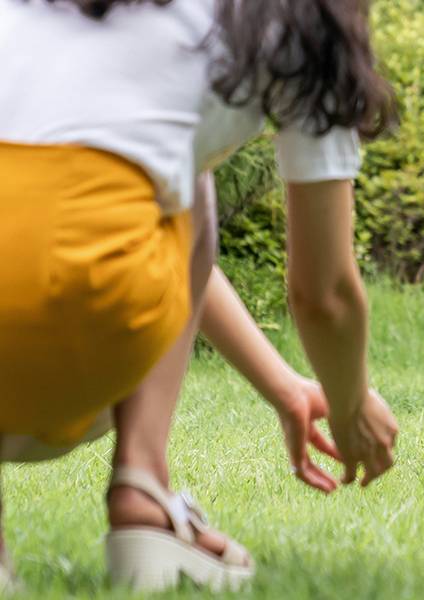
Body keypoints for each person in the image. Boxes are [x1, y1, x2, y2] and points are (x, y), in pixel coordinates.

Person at [0, 0, 398, 591]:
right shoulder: (297, 20)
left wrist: (283, 387)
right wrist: (349, 406)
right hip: (71, 336)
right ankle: (145, 490)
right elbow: (325, 294)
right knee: (186, 182)